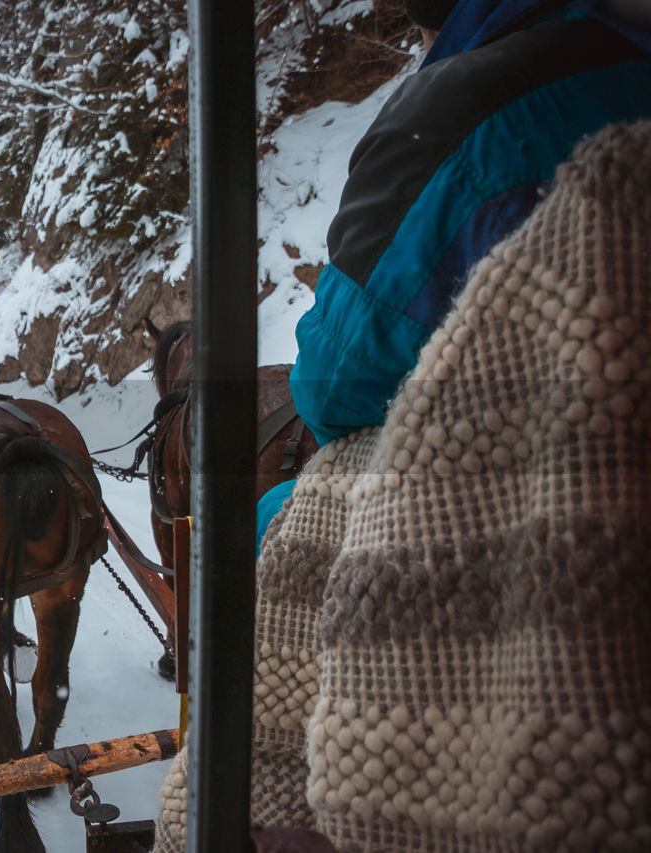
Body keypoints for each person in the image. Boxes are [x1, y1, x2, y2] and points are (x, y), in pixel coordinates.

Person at [253, 0, 651, 548]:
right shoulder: (628, 50)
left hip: (556, 499)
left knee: (263, 519)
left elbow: (336, 387)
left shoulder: (458, 109)